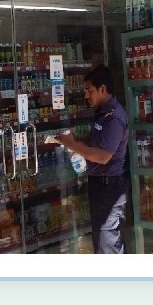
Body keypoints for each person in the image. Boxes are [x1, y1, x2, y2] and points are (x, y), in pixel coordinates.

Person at [54, 64, 129, 254]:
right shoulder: (103, 113)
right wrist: (76, 140)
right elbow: (94, 140)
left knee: (107, 244)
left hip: (109, 188)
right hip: (100, 186)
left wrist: (71, 145)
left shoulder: (114, 118)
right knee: (104, 241)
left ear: (102, 89)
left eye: (90, 90)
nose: (86, 95)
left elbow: (103, 156)